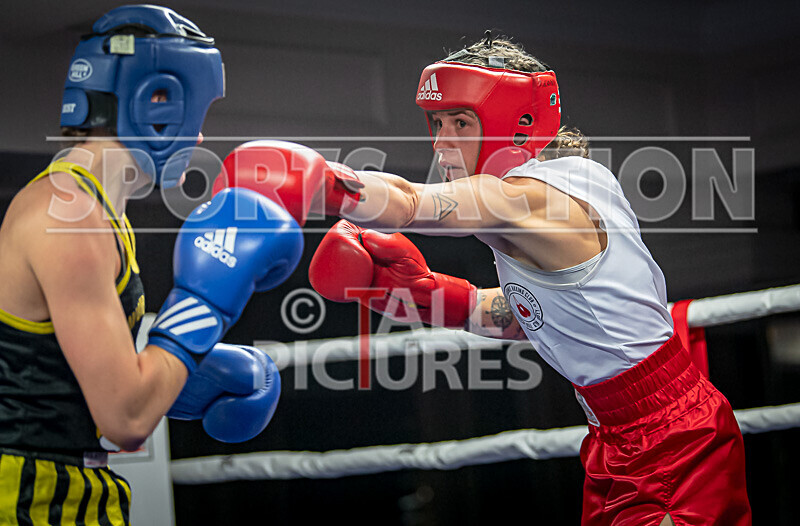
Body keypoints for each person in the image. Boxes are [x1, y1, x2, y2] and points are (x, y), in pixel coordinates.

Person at [217, 34, 751, 525]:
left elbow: (408, 202)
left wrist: (319, 182)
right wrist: (424, 297)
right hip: (619, 435)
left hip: (671, 438)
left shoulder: (520, 197)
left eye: (461, 123)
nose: (441, 142)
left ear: (516, 125)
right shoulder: (570, 180)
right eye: (438, 123)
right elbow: (538, 314)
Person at [0, 6, 301, 524]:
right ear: (155, 103)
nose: (201, 139)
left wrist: (175, 372)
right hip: (32, 501)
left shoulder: (94, 212)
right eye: (199, 118)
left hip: (72, 491)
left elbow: (65, 379)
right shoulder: (68, 219)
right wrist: (202, 306)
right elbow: (126, 417)